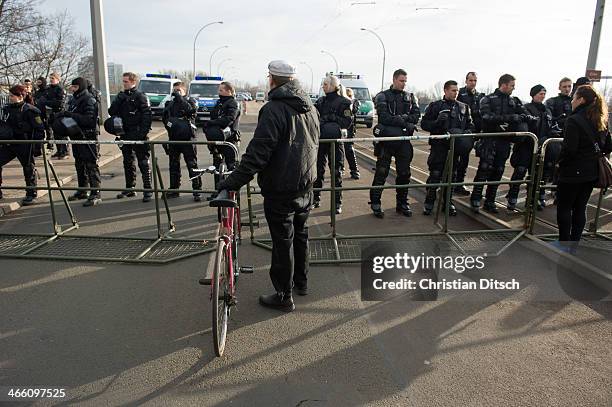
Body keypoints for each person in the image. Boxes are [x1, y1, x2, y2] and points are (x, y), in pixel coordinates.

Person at [216, 60, 319, 312]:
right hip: (305, 183)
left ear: (272, 79)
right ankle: (301, 283)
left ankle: (284, 296)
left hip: (281, 186)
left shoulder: (273, 109)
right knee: (301, 234)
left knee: (282, 241)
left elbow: (258, 153)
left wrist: (231, 182)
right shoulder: (310, 107)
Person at [556, 86, 611, 242]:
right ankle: (575, 242)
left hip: (572, 171)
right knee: (581, 207)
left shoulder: (574, 120)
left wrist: (559, 163)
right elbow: (608, 146)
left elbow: (570, 149)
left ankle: (564, 243)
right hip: (592, 171)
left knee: (565, 208)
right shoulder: (600, 118)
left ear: (581, 100)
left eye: (574, 98)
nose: (572, 101)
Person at [470, 73, 530, 214]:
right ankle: (476, 198)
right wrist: (507, 119)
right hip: (489, 139)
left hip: (504, 141)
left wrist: (518, 119)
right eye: (512, 86)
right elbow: (485, 116)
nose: (513, 89)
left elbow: (524, 115)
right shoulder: (488, 99)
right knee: (484, 169)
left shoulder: (514, 101)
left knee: (498, 171)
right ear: (503, 84)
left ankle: (490, 201)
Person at [369, 68, 420, 218]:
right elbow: (383, 117)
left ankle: (402, 203)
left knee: (404, 173)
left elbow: (415, 116)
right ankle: (375, 202)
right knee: (381, 173)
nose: (404, 84)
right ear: (394, 79)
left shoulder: (410, 97)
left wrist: (400, 120)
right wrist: (403, 120)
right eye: (401, 80)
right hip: (387, 141)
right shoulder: (382, 96)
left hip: (403, 142)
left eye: (405, 81)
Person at [420, 80, 474, 216]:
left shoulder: (464, 107)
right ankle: (429, 202)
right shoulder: (435, 106)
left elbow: (470, 125)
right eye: (452, 90)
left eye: (456, 91)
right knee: (435, 175)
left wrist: (467, 133)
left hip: (455, 148)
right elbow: (424, 124)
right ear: (445, 91)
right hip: (439, 147)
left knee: (451, 177)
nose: (455, 93)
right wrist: (437, 122)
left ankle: (448, 203)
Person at [55, 77, 102, 206]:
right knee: (79, 164)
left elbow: (89, 120)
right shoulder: (74, 99)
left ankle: (95, 192)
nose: (73, 89)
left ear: (80, 87)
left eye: (75, 87)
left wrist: (71, 115)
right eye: (72, 87)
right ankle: (83, 189)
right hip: (76, 135)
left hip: (88, 136)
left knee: (91, 165)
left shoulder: (89, 99)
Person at [108, 72, 153, 202]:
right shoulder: (121, 96)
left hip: (138, 133)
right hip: (125, 133)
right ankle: (130, 187)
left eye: (126, 81)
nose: (124, 84)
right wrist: (118, 100)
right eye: (123, 81)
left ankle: (148, 189)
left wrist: (142, 133)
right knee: (127, 161)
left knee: (143, 162)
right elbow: (111, 112)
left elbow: (147, 116)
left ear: (133, 82)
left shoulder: (141, 96)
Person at [506, 85, 549, 210]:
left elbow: (549, 126)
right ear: (533, 94)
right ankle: (512, 198)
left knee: (536, 175)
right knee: (519, 172)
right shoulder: (526, 109)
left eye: (544, 94)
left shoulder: (546, 111)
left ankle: (531, 200)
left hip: (540, 148)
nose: (542, 96)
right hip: (525, 147)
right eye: (540, 93)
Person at [313, 75, 352, 214]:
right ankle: (315, 198)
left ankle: (337, 203)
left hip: (336, 142)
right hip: (321, 141)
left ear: (332, 85)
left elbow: (347, 122)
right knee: (317, 170)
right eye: (323, 84)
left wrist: (330, 118)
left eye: (325, 84)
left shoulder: (344, 103)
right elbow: (313, 118)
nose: (323, 86)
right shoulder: (320, 101)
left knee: (337, 172)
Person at [0, 85, 45, 204]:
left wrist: (36, 146)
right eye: (9, 96)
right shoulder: (6, 109)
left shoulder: (30, 110)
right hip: (9, 143)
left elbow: (39, 129)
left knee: (28, 167)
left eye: (12, 96)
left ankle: (31, 192)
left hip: (24, 143)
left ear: (20, 96)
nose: (10, 98)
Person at [161, 81, 201, 201]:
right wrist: (170, 125)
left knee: (192, 164)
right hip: (174, 139)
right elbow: (165, 117)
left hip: (188, 139)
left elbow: (191, 111)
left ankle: (197, 190)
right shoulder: (170, 103)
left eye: (179, 90)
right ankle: (174, 189)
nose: (176, 92)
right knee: (173, 165)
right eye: (175, 90)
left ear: (184, 91)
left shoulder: (190, 101)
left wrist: (180, 99)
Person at [203, 81, 241, 196]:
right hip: (217, 138)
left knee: (231, 166)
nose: (219, 92)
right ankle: (218, 191)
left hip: (230, 139)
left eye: (221, 90)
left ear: (229, 91)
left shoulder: (233, 103)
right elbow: (213, 116)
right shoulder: (219, 103)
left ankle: (233, 192)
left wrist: (212, 123)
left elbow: (229, 119)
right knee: (217, 165)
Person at [455, 72, 484, 196]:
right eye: (470, 80)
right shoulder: (459, 93)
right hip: (461, 131)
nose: (473, 83)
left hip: (474, 131)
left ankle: (460, 183)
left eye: (475, 80)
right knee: (456, 158)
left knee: (465, 159)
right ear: (466, 81)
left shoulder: (480, 96)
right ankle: (451, 182)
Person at [41, 73, 68, 159]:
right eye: (50, 78)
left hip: (60, 114)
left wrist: (48, 102)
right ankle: (59, 150)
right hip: (51, 114)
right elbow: (44, 99)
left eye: (53, 78)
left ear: (57, 79)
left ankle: (65, 151)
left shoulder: (60, 89)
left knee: (62, 134)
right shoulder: (49, 89)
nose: (51, 80)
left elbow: (59, 103)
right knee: (56, 133)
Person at [344, 87, 360, 180]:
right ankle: (340, 168)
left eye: (350, 95)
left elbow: (354, 111)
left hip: (350, 130)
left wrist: (349, 104)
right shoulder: (342, 102)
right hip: (342, 128)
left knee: (349, 149)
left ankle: (354, 170)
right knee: (338, 150)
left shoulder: (355, 102)